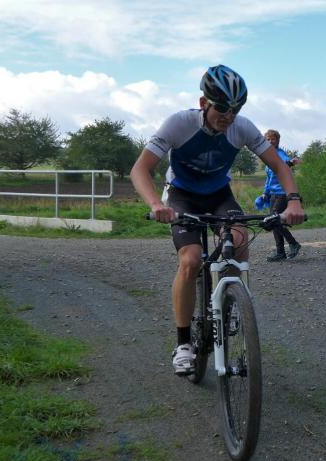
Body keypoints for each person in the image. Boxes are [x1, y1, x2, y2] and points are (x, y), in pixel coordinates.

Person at [130, 65, 305, 376]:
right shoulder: (179, 124)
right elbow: (140, 169)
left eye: (236, 109)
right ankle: (184, 343)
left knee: (239, 239)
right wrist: (156, 204)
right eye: (222, 108)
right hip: (182, 195)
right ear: (203, 103)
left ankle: (233, 303)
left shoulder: (242, 128)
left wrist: (293, 200)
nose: (229, 116)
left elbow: (279, 166)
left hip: (219, 195)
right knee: (191, 260)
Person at [260, 129, 302, 262]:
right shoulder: (267, 156)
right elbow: (269, 178)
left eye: (273, 139)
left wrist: (290, 163)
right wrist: (265, 192)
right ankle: (280, 252)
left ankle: (293, 243)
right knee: (274, 222)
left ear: (277, 140)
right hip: (273, 194)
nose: (270, 141)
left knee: (273, 220)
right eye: (268, 139)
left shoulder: (280, 154)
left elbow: (285, 164)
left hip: (283, 194)